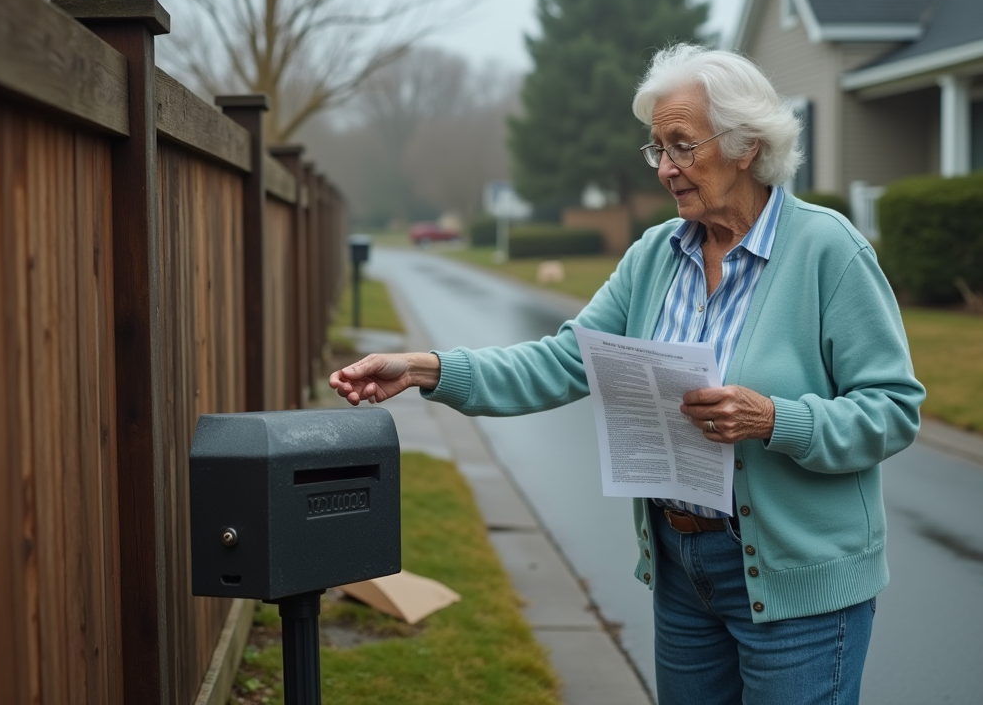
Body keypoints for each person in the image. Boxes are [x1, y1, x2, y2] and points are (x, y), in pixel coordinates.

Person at [330, 44, 925, 705]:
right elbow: (562, 361)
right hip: (684, 574)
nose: (665, 168)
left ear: (747, 145)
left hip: (800, 584)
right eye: (657, 149)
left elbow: (893, 408)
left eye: (682, 146)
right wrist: (424, 369)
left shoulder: (827, 250)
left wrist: (774, 420)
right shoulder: (656, 255)